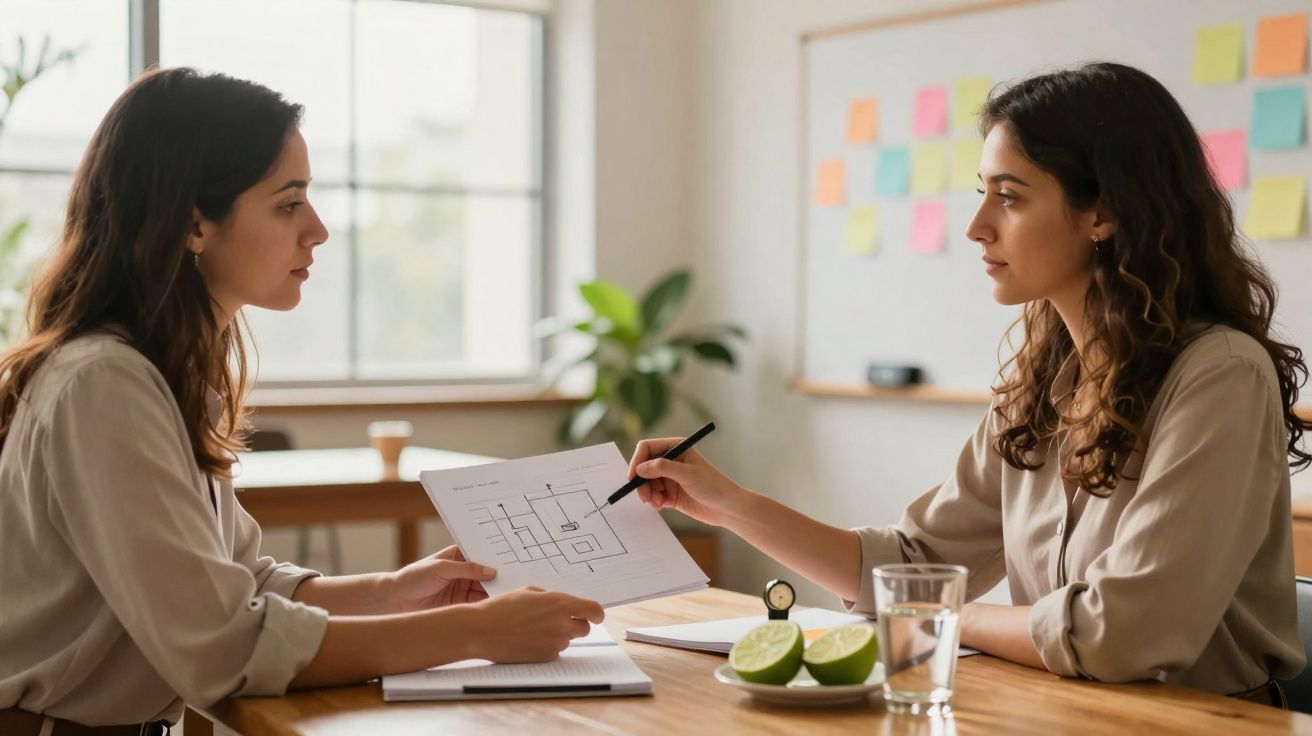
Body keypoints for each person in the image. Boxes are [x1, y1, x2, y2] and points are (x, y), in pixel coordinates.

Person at [629, 62, 1309, 705]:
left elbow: (1123, 633)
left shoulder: (1221, 376)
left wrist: (942, 613)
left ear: (1102, 213)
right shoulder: (1043, 383)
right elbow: (910, 562)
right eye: (981, 192)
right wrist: (729, 505)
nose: (976, 227)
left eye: (1009, 197)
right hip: (1071, 714)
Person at [0, 67, 602, 732]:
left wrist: (394, 592)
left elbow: (240, 584)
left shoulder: (160, 375)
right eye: (289, 205)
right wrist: (476, 632)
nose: (317, 229)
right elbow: (224, 648)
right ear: (195, 223)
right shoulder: (104, 385)